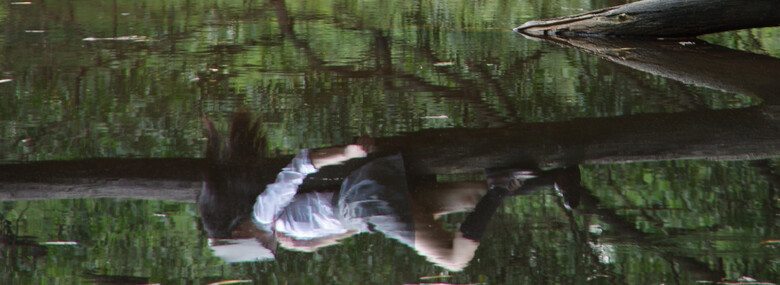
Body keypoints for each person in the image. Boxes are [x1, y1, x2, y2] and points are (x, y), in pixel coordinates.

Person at [200, 113, 577, 270]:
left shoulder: (264, 215)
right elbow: (338, 227)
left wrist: (346, 152)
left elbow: (299, 167)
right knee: (470, 197)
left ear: (239, 231)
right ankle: (553, 179)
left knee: (453, 259)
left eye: (257, 243)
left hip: (365, 203)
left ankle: (500, 185)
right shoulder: (283, 231)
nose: (269, 246)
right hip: (365, 209)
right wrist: (313, 244)